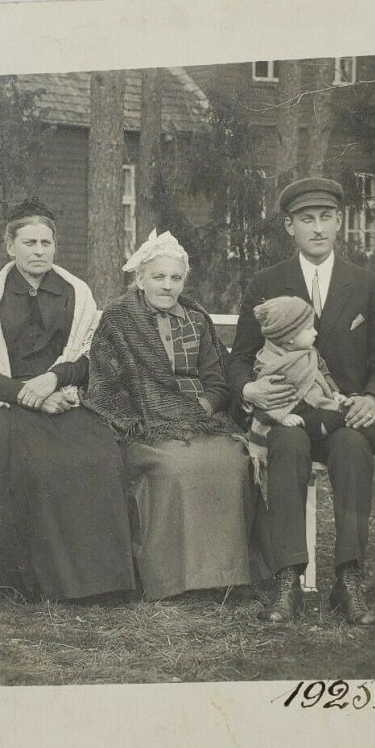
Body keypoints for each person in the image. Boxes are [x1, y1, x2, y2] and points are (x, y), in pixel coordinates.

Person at [229, 177, 375, 626]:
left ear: (340, 221)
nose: (318, 228)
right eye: (307, 219)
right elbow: (240, 360)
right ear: (290, 226)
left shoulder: (366, 285)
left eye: (326, 218)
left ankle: (349, 579)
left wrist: (373, 397)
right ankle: (289, 579)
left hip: (344, 417)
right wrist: (249, 390)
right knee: (287, 449)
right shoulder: (267, 283)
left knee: (352, 449)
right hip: (288, 417)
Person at [82, 229, 269, 601]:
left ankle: (226, 577)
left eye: (175, 278)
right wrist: (156, 414)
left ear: (184, 281)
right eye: (158, 277)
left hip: (200, 421)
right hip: (147, 425)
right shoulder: (120, 319)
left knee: (234, 460)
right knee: (173, 467)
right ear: (140, 279)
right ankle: (171, 581)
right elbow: (105, 384)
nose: (167, 286)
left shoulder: (197, 319)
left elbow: (217, 381)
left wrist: (202, 407)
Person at [0, 198, 135, 600]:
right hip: (7, 402)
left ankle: (101, 583)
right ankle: (36, 584)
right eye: (30, 242)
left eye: (46, 243)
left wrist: (53, 380)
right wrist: (27, 394)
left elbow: (90, 357)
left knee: (101, 454)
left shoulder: (74, 292)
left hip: (63, 394)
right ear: (10, 246)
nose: (39, 251)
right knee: (32, 463)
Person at [247, 295, 375, 481]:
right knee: (341, 416)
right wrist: (283, 416)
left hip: (316, 411)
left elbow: (324, 374)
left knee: (341, 415)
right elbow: (267, 398)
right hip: (297, 413)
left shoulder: (311, 354)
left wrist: (335, 393)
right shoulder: (269, 363)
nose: (315, 333)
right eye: (308, 328)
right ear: (289, 338)